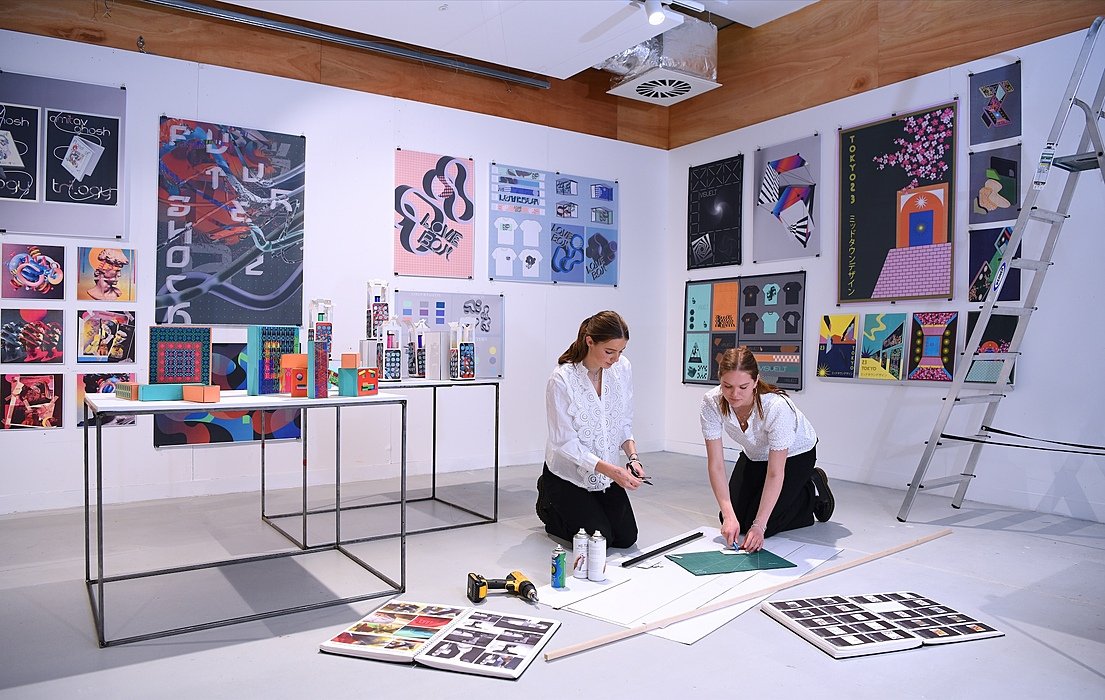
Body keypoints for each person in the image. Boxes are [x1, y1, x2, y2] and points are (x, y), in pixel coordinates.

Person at [700, 346, 833, 552]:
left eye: (743, 387)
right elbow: (716, 464)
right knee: (734, 520)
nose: (734, 394)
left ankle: (809, 491)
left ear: (755, 381)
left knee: (765, 526)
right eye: (727, 386)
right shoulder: (711, 402)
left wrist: (759, 526)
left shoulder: (776, 407)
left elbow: (775, 472)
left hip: (795, 455)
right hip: (755, 455)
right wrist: (728, 515)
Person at [535, 310, 644, 549]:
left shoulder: (622, 368)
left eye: (621, 351)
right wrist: (613, 471)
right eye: (609, 351)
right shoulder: (561, 379)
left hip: (607, 473)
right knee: (599, 539)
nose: (616, 359)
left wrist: (633, 458)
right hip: (569, 475)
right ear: (589, 341)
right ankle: (548, 501)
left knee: (626, 537)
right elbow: (564, 443)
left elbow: (624, 421)